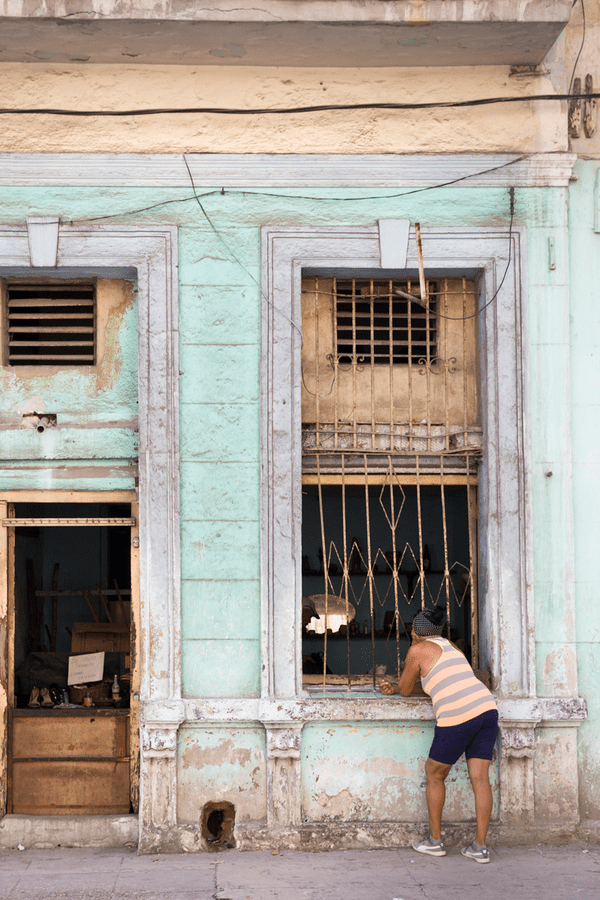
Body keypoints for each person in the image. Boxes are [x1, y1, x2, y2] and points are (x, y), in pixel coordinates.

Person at [380, 606, 498, 864]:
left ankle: (435, 842)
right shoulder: (453, 648)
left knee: (434, 774)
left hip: (459, 714)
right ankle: (480, 847)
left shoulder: (417, 650)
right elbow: (438, 681)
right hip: (487, 709)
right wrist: (399, 686)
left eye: (411, 630)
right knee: (480, 778)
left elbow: (408, 689)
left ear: (415, 632)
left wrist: (396, 687)